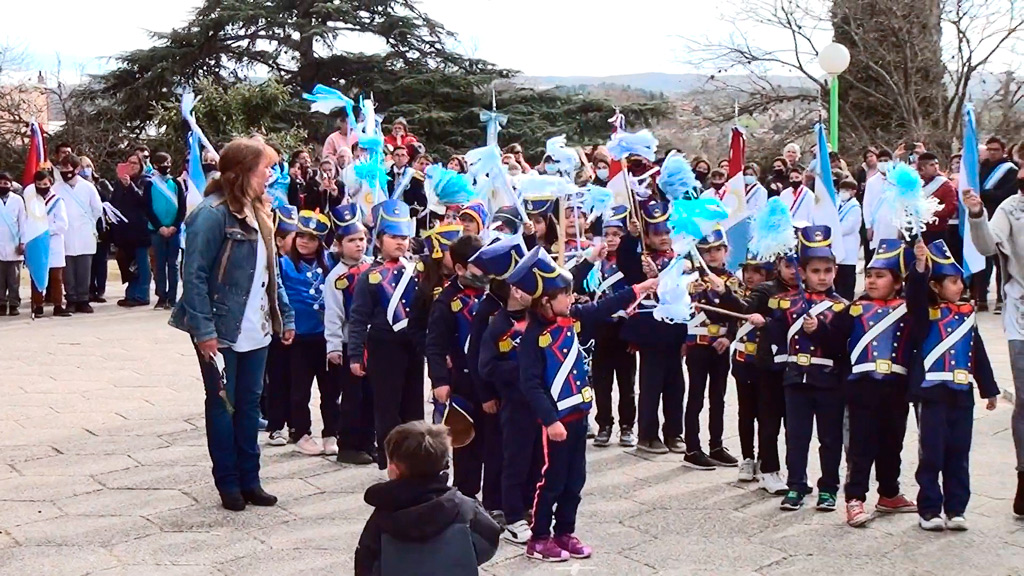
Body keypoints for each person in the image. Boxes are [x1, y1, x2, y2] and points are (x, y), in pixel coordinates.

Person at [169, 137, 296, 512]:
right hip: (220, 327)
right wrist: (204, 331)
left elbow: (272, 273)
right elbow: (192, 276)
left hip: (256, 326)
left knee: (250, 405)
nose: (271, 175)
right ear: (242, 172)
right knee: (224, 405)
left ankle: (250, 479)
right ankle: (228, 483)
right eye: (265, 168)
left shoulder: (261, 210)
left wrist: (284, 315)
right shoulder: (210, 213)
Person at [511, 245, 657, 561]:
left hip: (579, 416)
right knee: (550, 481)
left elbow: (606, 307)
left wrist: (640, 288)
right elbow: (531, 385)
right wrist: (550, 421)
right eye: (564, 295)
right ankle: (538, 538)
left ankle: (565, 532)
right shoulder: (533, 337)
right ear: (545, 302)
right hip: (557, 423)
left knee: (574, 481)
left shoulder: (573, 318)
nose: (571, 298)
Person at [749, 226, 848, 512]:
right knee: (797, 437)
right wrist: (764, 323)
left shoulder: (842, 307)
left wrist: (819, 331)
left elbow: (841, 347)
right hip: (795, 380)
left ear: (835, 271)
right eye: (815, 271)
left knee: (829, 438)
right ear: (803, 273)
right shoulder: (785, 304)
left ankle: (828, 487)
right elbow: (778, 334)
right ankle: (796, 485)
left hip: (828, 381)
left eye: (827, 271)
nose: (822, 277)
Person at [907, 239, 999, 530]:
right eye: (953, 281)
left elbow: (977, 352)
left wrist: (989, 388)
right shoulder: (924, 314)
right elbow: (915, 297)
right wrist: (920, 266)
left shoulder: (966, 314)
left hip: (962, 394)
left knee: (959, 452)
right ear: (935, 286)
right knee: (931, 453)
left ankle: (956, 508)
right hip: (932, 394)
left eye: (960, 280)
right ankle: (929, 510)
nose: (960, 286)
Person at [830, 239, 918, 527]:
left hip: (896, 386)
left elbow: (920, 295)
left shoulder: (908, 307)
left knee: (892, 442)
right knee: (861, 444)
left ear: (897, 282)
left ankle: (889, 493)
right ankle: (854, 498)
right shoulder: (855, 308)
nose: (871, 280)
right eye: (869, 274)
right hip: (863, 386)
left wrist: (918, 266)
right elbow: (834, 339)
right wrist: (816, 328)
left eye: (880, 275)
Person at [353, 421, 501, 576]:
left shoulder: (380, 519)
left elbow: (365, 566)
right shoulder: (464, 508)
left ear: (393, 470)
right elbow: (488, 543)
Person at [347, 199, 427, 470]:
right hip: (383, 347)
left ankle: (415, 460)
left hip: (413, 346)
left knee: (414, 407)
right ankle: (390, 461)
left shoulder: (417, 271)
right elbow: (357, 318)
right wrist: (355, 354)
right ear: (379, 240)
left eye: (404, 237)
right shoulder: (369, 275)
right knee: (387, 408)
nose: (400, 242)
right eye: (393, 237)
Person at [427, 234, 502, 513]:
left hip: (493, 379)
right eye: (477, 266)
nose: (484, 272)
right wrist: (440, 381)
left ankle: (496, 502)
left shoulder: (496, 293)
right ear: (460, 269)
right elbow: (435, 344)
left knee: (495, 444)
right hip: (463, 381)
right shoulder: (446, 300)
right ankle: (465, 499)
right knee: (467, 444)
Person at [964, 184, 1024, 517]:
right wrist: (976, 214)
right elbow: (987, 244)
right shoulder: (1011, 208)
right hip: (1021, 310)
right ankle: (1023, 477)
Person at [473, 236, 534, 543]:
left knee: (531, 457)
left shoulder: (533, 316)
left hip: (533, 401)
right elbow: (479, 360)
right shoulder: (489, 315)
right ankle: (500, 506)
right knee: (503, 455)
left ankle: (526, 505)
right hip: (501, 396)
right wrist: (485, 394)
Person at [619, 202, 687, 454]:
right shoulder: (640, 260)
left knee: (676, 384)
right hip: (650, 331)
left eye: (667, 232)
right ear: (647, 236)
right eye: (657, 233)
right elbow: (625, 264)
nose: (664, 238)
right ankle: (647, 434)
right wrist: (632, 236)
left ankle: (674, 432)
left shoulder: (681, 258)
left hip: (676, 329)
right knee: (651, 383)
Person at [573, 206, 637, 448]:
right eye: (607, 234)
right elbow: (578, 287)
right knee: (601, 382)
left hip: (624, 329)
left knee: (627, 383)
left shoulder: (630, 263)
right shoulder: (594, 264)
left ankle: (627, 426)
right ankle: (604, 423)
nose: (611, 239)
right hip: (599, 329)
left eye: (616, 234)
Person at [278, 210, 341, 456]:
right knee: (299, 389)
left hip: (326, 336)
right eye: (301, 236)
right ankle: (301, 432)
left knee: (330, 390)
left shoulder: (331, 262)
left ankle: (331, 432)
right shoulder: (283, 264)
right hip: (299, 336)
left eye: (312, 238)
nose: (305, 242)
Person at [683, 226, 741, 469]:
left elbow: (738, 312)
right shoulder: (691, 279)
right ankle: (692, 448)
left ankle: (716, 445)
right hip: (697, 345)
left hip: (721, 346)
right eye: (706, 251)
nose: (712, 255)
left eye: (717, 249)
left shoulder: (732, 280)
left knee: (718, 397)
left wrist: (729, 337)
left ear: (726, 251)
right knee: (695, 397)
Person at [323, 204, 376, 464]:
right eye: (352, 240)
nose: (359, 245)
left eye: (362, 239)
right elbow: (333, 314)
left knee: (371, 395)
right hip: (349, 343)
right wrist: (333, 346)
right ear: (339, 244)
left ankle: (369, 441)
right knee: (352, 396)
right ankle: (348, 445)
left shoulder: (373, 268)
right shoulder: (336, 277)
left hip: (373, 341)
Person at [730, 252, 773, 482]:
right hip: (743, 361)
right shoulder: (738, 295)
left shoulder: (772, 295)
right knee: (745, 412)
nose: (751, 276)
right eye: (748, 271)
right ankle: (747, 458)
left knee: (766, 414)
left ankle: (766, 460)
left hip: (765, 363)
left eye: (757, 271)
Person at [263, 205, 299, 448]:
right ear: (279, 240)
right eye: (294, 238)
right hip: (271, 326)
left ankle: (296, 424)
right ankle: (276, 424)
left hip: (295, 328)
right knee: (275, 378)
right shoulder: (271, 261)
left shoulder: (298, 261)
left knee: (294, 380)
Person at [55, 154, 102, 314]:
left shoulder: (88, 187)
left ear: (76, 169)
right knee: (68, 270)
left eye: (68, 168)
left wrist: (88, 224)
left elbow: (97, 209)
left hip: (84, 232)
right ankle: (71, 299)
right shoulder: (57, 188)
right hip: (65, 234)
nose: (65, 171)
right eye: (62, 168)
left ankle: (83, 299)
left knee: (84, 268)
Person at [976, 137, 1018, 312]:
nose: (992, 153)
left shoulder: (1010, 171)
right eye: (990, 149)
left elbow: (1005, 194)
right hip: (983, 219)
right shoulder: (981, 168)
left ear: (1003, 151)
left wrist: (985, 194)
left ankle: (1002, 297)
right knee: (982, 260)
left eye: (996, 150)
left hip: (1001, 218)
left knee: (1001, 260)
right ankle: (981, 297)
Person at [143, 152, 187, 309]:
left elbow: (182, 207)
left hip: (174, 230)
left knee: (173, 264)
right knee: (159, 264)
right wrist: (159, 227)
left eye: (168, 162)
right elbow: (147, 208)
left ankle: (172, 297)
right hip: (157, 231)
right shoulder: (150, 184)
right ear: (155, 165)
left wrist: (175, 226)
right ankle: (161, 297)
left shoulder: (175, 183)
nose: (166, 166)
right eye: (163, 163)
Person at [24, 172, 71, 318]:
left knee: (56, 277)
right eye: (39, 185)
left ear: (50, 183)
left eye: (45, 184)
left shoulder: (57, 201)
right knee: (37, 274)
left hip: (54, 242)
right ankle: (38, 305)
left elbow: (63, 224)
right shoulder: (32, 201)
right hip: (37, 244)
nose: (42, 187)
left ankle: (58, 305)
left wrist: (45, 231)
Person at [109, 153, 153, 307]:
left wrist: (130, 187)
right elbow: (114, 202)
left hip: (140, 230)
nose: (132, 165)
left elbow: (144, 201)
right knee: (128, 265)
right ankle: (131, 294)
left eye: (135, 163)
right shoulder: (119, 183)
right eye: (129, 162)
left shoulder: (145, 181)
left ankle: (142, 295)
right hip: (124, 231)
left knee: (141, 263)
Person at [79, 156, 113, 304]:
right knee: (88, 261)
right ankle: (89, 289)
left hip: (102, 228)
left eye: (87, 166)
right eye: (81, 167)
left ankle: (100, 290)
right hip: (84, 228)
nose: (85, 170)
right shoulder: (76, 187)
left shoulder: (102, 184)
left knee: (101, 260)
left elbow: (109, 200)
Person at [916, 152, 958, 246]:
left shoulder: (945, 184)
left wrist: (930, 214)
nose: (936, 167)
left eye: (936, 164)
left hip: (937, 230)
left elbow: (950, 207)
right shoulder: (914, 183)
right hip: (916, 229)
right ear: (922, 168)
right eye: (931, 165)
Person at [862, 148, 896, 264]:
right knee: (879, 259)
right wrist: (868, 226)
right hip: (878, 226)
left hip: (895, 226)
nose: (883, 163)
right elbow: (867, 205)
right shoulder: (872, 182)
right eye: (880, 160)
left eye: (886, 160)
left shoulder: (899, 180)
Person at [0, 171, 27, 316]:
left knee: (13, 280)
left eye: (6, 183)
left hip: (14, 245)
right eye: (0, 183)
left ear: (11, 185)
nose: (2, 186)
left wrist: (23, 242)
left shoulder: (17, 200)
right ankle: (1, 304)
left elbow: (23, 222)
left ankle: (14, 304)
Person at [835, 179, 862, 300]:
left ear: (853, 192)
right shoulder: (838, 203)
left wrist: (833, 231)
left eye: (846, 190)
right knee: (838, 279)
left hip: (848, 245)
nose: (843, 192)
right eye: (841, 190)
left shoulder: (855, 207)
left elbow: (848, 227)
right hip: (837, 245)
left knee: (847, 278)